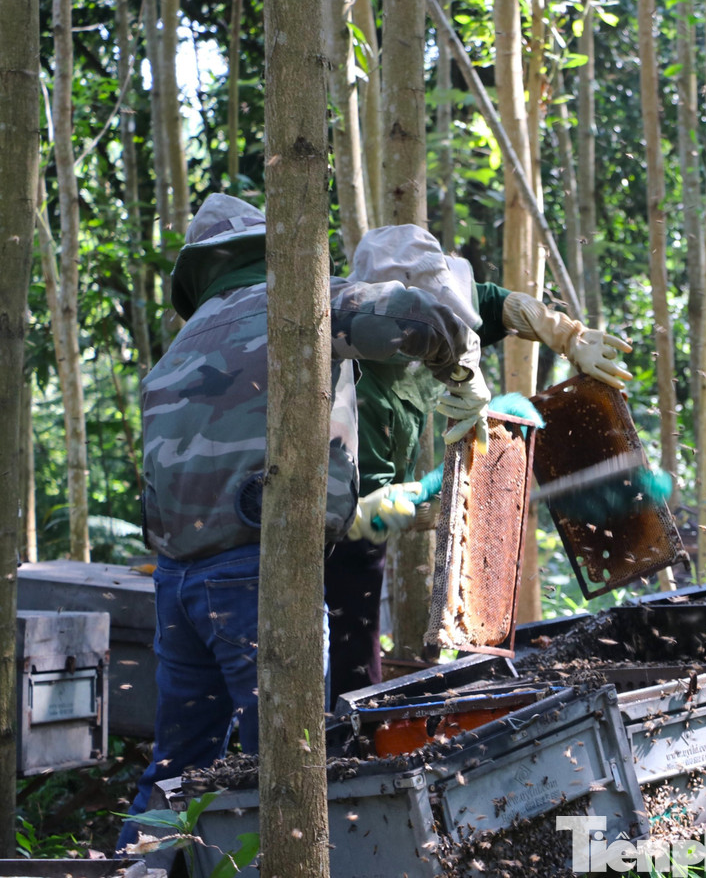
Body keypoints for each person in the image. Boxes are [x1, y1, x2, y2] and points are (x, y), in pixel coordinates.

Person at [119, 196, 482, 848]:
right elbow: (414, 318)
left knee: (179, 768)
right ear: (270, 249)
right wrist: (460, 366)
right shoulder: (298, 301)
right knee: (293, 772)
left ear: (200, 272)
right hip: (257, 573)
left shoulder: (177, 349)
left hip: (175, 581)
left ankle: (137, 862)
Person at [325, 225, 635, 702]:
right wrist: (444, 507)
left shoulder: (443, 316)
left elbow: (494, 304)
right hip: (337, 508)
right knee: (352, 625)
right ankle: (344, 727)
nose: (439, 327)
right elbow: (361, 513)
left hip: (383, 482)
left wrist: (566, 335)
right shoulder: (357, 385)